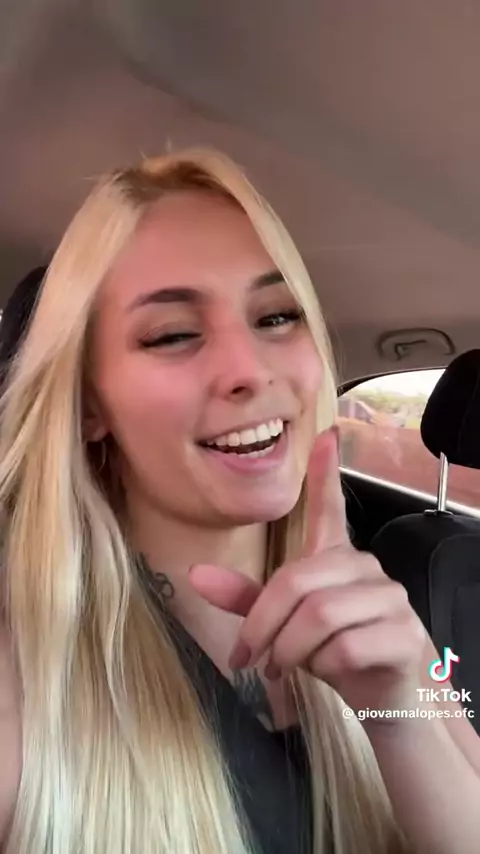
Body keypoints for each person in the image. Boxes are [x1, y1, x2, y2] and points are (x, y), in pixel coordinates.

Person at [0, 149, 478, 854]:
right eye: (172, 334)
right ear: (89, 405)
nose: (248, 369)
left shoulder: (398, 618)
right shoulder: (24, 683)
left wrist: (399, 714)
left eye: (277, 316)